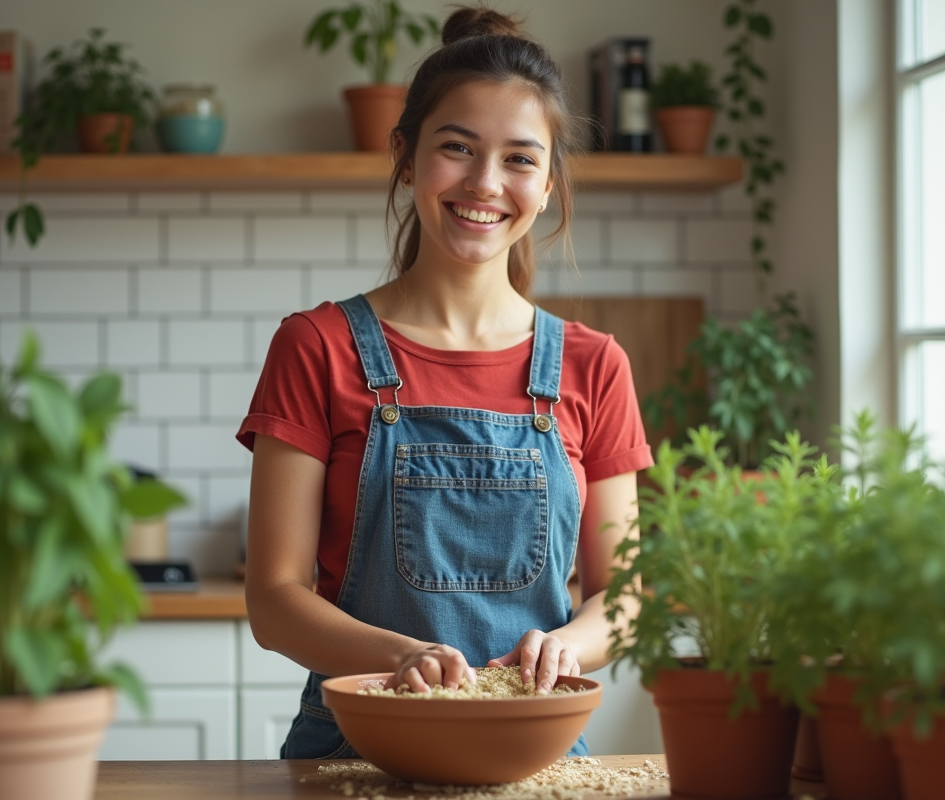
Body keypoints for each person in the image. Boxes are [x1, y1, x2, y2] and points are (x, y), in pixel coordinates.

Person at [236, 5, 652, 760]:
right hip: (354, 748)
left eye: (521, 159)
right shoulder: (316, 347)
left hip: (538, 748)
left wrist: (569, 647)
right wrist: (397, 657)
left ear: (551, 182)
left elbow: (622, 597)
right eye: (456, 147)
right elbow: (273, 601)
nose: (485, 183)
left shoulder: (595, 364)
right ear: (404, 154)